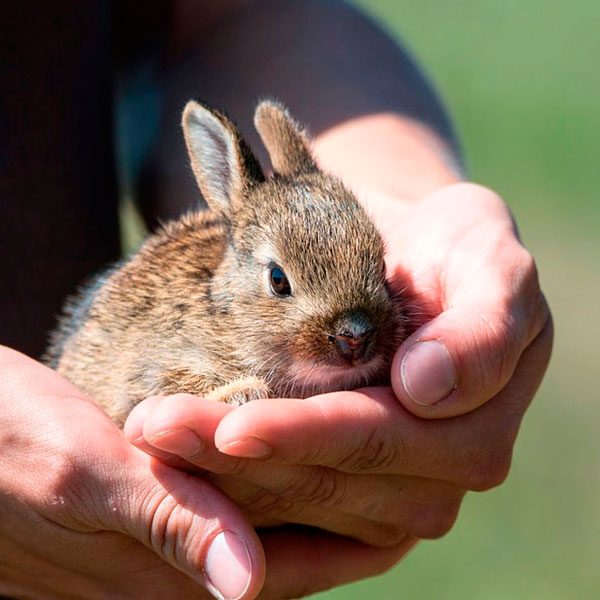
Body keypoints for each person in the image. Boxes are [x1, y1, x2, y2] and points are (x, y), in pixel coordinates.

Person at [0, 1, 552, 599]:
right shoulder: (197, 335)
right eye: (283, 285)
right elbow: (138, 394)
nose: (355, 333)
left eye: (376, 270)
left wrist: (416, 197)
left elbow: (232, 15)